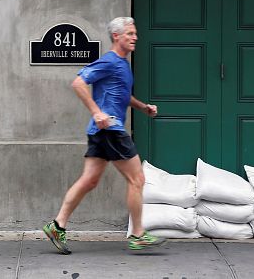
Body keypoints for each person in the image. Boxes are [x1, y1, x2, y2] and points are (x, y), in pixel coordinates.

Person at [42, 17, 166, 253]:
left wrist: (142, 107)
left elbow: (121, 94)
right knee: (137, 179)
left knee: (89, 180)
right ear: (116, 36)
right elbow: (78, 83)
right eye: (130, 33)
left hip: (100, 131)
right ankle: (138, 235)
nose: (135, 37)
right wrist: (97, 112)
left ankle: (58, 225)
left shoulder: (122, 64)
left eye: (135, 33)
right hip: (111, 129)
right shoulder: (109, 61)